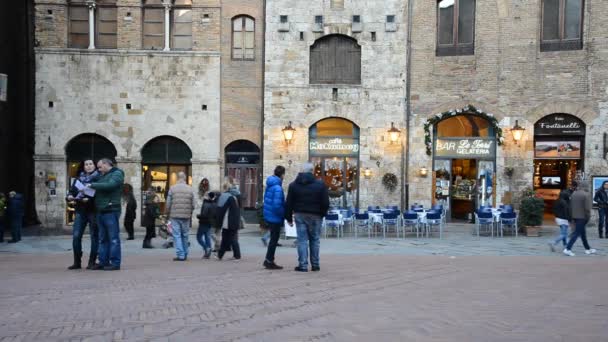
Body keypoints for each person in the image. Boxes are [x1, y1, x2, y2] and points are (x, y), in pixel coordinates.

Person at [285, 163, 329, 272]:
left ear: (301, 171)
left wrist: (288, 218)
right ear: (312, 171)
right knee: (315, 239)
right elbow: (325, 202)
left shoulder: (293, 185)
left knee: (302, 240)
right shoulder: (320, 185)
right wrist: (322, 214)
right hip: (316, 215)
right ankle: (315, 264)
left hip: (300, 214)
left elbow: (289, 203)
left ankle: (303, 265)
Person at [89, 158, 125, 270]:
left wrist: (92, 185)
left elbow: (111, 185)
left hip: (111, 209)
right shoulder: (102, 175)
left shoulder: (117, 174)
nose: (99, 170)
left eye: (100, 167)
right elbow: (100, 183)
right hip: (101, 210)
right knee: (102, 238)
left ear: (106, 164)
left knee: (113, 238)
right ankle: (103, 261)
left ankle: (115, 263)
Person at [66, 159, 100, 269]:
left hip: (93, 210)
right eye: (86, 164)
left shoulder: (99, 178)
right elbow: (72, 191)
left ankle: (91, 262)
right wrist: (69, 197)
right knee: (76, 236)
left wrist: (89, 199)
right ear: (83, 166)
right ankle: (77, 262)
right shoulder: (78, 179)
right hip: (80, 210)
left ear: (94, 166)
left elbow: (100, 194)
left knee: (94, 237)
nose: (88, 166)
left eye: (91, 164)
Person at [165, 172, 195, 261]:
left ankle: (180, 254)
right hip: (186, 216)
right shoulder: (190, 189)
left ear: (177, 178)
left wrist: (167, 213)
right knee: (185, 235)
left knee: (177, 235)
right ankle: (185, 253)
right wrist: (190, 212)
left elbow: (168, 203)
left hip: (175, 215)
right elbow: (193, 204)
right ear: (185, 178)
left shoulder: (172, 188)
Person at [262, 166, 286, 270]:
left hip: (269, 215)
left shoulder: (270, 185)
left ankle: (268, 259)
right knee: (274, 240)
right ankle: (269, 261)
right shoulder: (277, 188)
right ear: (282, 175)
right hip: (275, 217)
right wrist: (283, 214)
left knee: (273, 239)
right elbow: (277, 205)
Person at [563, 182, 597, 256]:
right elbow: (587, 208)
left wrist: (572, 216)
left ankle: (588, 249)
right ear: (586, 187)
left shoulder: (574, 194)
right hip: (583, 217)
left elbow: (570, 206)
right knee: (576, 233)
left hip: (575, 216)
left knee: (583, 233)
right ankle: (568, 249)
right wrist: (588, 216)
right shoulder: (586, 194)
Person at [216, 181, 241, 260]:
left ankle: (235, 255)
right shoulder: (234, 196)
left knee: (228, 238)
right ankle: (222, 255)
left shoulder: (224, 196)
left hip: (227, 221)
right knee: (229, 238)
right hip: (233, 220)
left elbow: (220, 210)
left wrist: (217, 223)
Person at [197, 190, 217, 259]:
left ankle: (207, 248)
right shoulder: (214, 203)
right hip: (210, 223)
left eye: (205, 195)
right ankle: (207, 253)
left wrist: (198, 216)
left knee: (199, 237)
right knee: (207, 237)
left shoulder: (206, 204)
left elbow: (204, 215)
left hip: (204, 222)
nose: (204, 196)